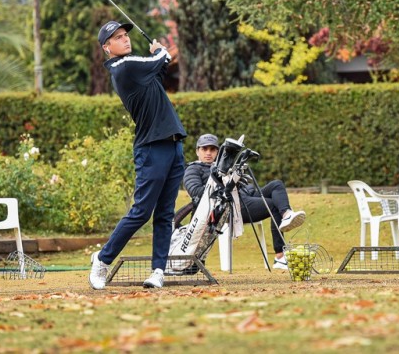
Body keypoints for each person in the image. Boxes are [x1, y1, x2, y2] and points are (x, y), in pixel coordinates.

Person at [89, 21, 187, 290]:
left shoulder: (138, 69)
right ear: (107, 47)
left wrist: (159, 58)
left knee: (165, 214)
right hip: (151, 148)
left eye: (125, 35)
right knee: (142, 211)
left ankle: (158, 271)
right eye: (118, 37)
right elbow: (161, 59)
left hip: (173, 144)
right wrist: (158, 49)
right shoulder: (123, 66)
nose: (126, 39)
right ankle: (102, 260)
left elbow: (159, 69)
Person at [183, 133, 306, 270]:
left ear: (218, 152)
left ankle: (287, 214)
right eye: (204, 149)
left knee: (277, 185)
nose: (208, 153)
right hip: (229, 206)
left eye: (212, 149)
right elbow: (196, 192)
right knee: (273, 205)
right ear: (197, 151)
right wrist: (222, 185)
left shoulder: (223, 164)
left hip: (245, 195)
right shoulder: (193, 169)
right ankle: (280, 257)